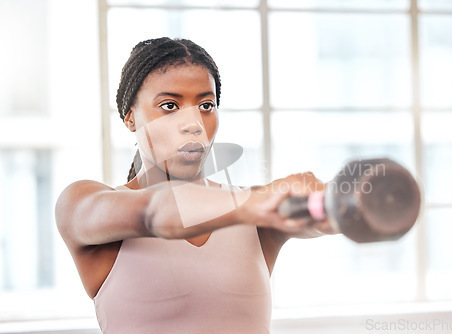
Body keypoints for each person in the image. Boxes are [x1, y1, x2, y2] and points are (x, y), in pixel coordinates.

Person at [55, 37, 337, 334]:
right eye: (169, 105)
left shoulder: (257, 211)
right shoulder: (80, 204)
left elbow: (333, 215)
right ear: (130, 118)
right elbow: (157, 212)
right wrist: (263, 199)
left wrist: (350, 199)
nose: (193, 123)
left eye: (206, 105)